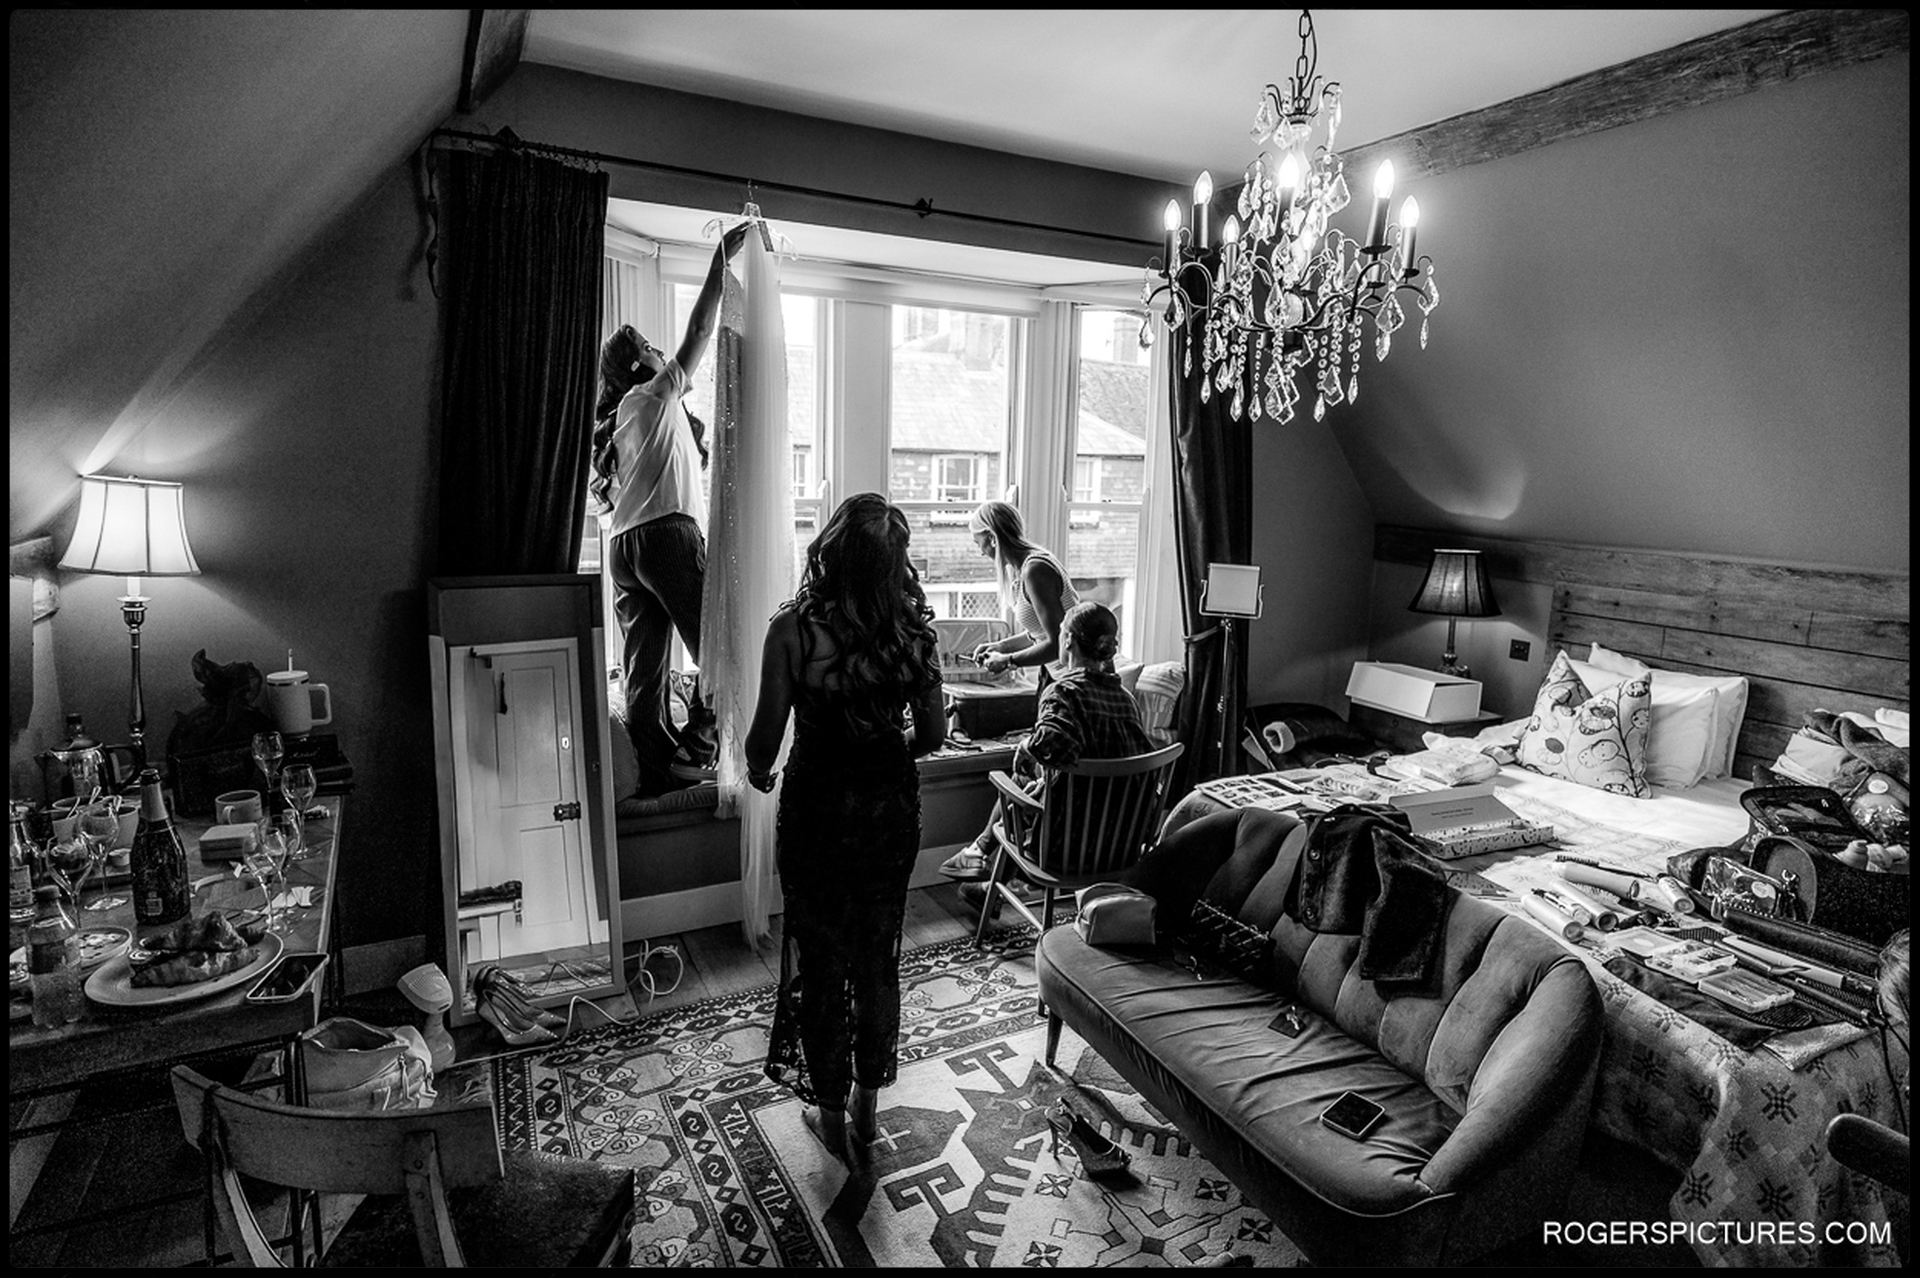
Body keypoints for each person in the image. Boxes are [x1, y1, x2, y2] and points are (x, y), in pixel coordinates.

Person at [744, 493, 947, 1161]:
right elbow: (933, 736)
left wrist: (761, 774)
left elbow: (762, 744)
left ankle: (828, 1116)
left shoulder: (792, 631)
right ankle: (867, 1108)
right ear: (896, 564)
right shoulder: (914, 632)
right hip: (890, 808)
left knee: (822, 960)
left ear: (828, 551)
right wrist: (883, 751)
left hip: (818, 810)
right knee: (877, 953)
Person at [593, 222, 750, 796]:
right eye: (651, 349)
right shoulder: (655, 392)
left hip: (623, 548)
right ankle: (701, 744)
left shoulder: (619, 423)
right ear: (642, 366)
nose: (662, 351)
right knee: (723, 646)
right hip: (664, 536)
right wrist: (718, 262)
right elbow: (702, 327)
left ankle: (658, 772)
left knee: (645, 673)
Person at [943, 601, 1153, 885]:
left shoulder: (1063, 691)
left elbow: (1054, 745)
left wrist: (1026, 746)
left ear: (1066, 640)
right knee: (1037, 784)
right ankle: (982, 882)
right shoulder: (1126, 699)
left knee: (1021, 781)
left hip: (1064, 848)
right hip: (1121, 845)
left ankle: (978, 851)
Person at [965, 500, 1079, 684]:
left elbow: (1058, 643)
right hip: (1057, 675)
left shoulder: (1036, 571)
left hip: (1073, 678)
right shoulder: (1024, 568)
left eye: (978, 543)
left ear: (992, 538)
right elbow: (1039, 632)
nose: (981, 553)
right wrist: (1001, 647)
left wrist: (1008, 660)